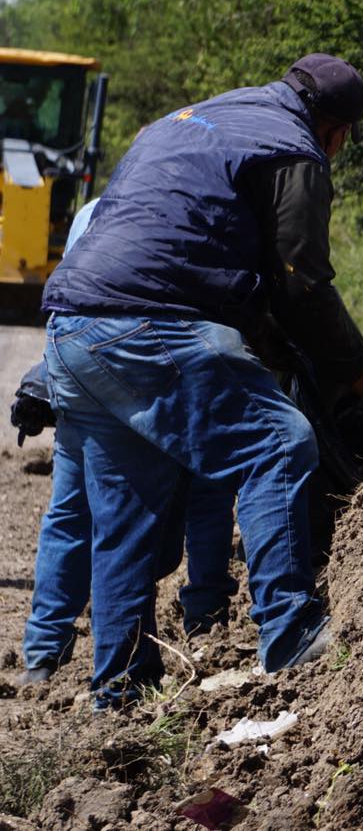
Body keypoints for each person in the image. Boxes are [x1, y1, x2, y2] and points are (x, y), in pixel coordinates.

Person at [41, 54, 363, 708]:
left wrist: (273, 348)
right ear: (337, 131)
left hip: (72, 334)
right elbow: (300, 281)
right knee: (280, 441)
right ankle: (292, 640)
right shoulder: (295, 146)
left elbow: (205, 255)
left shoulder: (191, 121)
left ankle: (118, 697)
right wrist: (359, 370)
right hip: (146, 327)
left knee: (125, 518)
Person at [12, 201, 238, 686]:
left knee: (71, 508)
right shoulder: (193, 211)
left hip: (75, 369)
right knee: (203, 492)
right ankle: (202, 620)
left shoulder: (92, 211)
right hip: (149, 367)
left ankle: (42, 652)